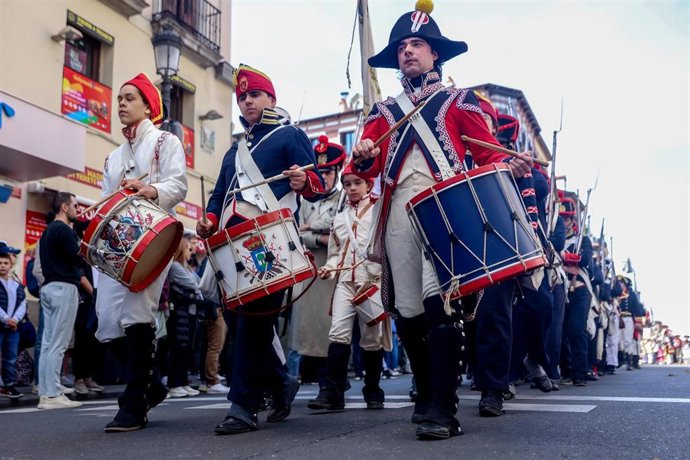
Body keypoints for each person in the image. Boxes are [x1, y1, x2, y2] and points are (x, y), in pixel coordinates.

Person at [352, 1, 533, 439]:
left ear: (436, 54)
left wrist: (511, 165)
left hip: (445, 210)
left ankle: (443, 408)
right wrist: (361, 157)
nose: (408, 51)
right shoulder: (382, 112)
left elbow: (489, 153)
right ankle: (428, 390)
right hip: (396, 213)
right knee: (410, 311)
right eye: (402, 46)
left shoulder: (458, 100)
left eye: (417, 44)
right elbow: (361, 169)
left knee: (442, 305)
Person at [196, 64, 324, 435]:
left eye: (254, 94)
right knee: (241, 324)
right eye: (242, 96)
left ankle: (243, 405)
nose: (247, 100)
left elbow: (315, 182)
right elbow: (220, 196)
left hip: (269, 245)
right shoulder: (233, 152)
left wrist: (305, 180)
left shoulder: (289, 136)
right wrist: (208, 217)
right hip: (230, 251)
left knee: (253, 324)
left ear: (271, 98)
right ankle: (282, 383)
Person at [96, 73, 188, 432]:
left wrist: (148, 190)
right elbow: (106, 201)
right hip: (119, 245)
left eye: (130, 98)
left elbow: (177, 185)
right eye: (119, 98)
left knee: (137, 311)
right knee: (106, 321)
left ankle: (134, 404)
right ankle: (152, 385)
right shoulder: (112, 156)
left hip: (155, 237)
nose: (121, 103)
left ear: (149, 105)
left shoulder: (165, 141)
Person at [308, 163, 388, 411]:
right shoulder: (339, 218)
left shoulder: (379, 211)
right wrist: (329, 268)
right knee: (338, 333)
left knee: (371, 339)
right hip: (345, 282)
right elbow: (335, 254)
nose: (352, 188)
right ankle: (333, 393)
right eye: (348, 184)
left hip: (371, 281)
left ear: (368, 184)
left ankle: (373, 390)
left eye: (357, 183)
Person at [291, 135, 346, 384]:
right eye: (319, 172)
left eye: (328, 172)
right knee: (305, 329)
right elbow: (294, 235)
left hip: (333, 270)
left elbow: (342, 233)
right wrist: (318, 237)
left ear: (337, 172)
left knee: (331, 326)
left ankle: (332, 380)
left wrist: (312, 228)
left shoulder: (344, 200)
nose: (324, 177)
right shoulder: (303, 200)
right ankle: (305, 375)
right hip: (309, 268)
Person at [36, 192, 83, 409]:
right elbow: (78, 257)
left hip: (49, 287)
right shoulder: (64, 230)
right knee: (58, 343)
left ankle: (47, 391)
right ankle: (52, 395)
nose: (77, 209)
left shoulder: (47, 232)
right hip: (63, 288)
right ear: (64, 207)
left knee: (48, 343)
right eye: (74, 205)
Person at [560, 196, 594, 386]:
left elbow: (585, 261)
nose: (564, 223)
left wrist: (562, 256)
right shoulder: (555, 238)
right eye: (561, 218)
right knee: (561, 331)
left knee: (576, 329)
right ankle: (565, 370)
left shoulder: (583, 240)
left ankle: (579, 372)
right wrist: (568, 260)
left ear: (572, 221)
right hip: (560, 289)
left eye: (567, 219)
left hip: (579, 290)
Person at [166, 238, 202, 398]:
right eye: (188, 249)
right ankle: (176, 383)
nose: (191, 251)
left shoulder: (186, 267)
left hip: (189, 310)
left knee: (187, 347)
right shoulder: (176, 266)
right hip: (180, 310)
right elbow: (197, 285)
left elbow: (198, 284)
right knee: (179, 347)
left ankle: (183, 382)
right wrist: (197, 292)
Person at [0, 243, 26, 399]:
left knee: (11, 357)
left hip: (13, 327)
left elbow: (23, 304)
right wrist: (5, 319)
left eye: (5, 263)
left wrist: (15, 319)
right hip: (2, 324)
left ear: (10, 265)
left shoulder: (16, 285)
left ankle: (9, 385)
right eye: (0, 263)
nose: (2, 266)